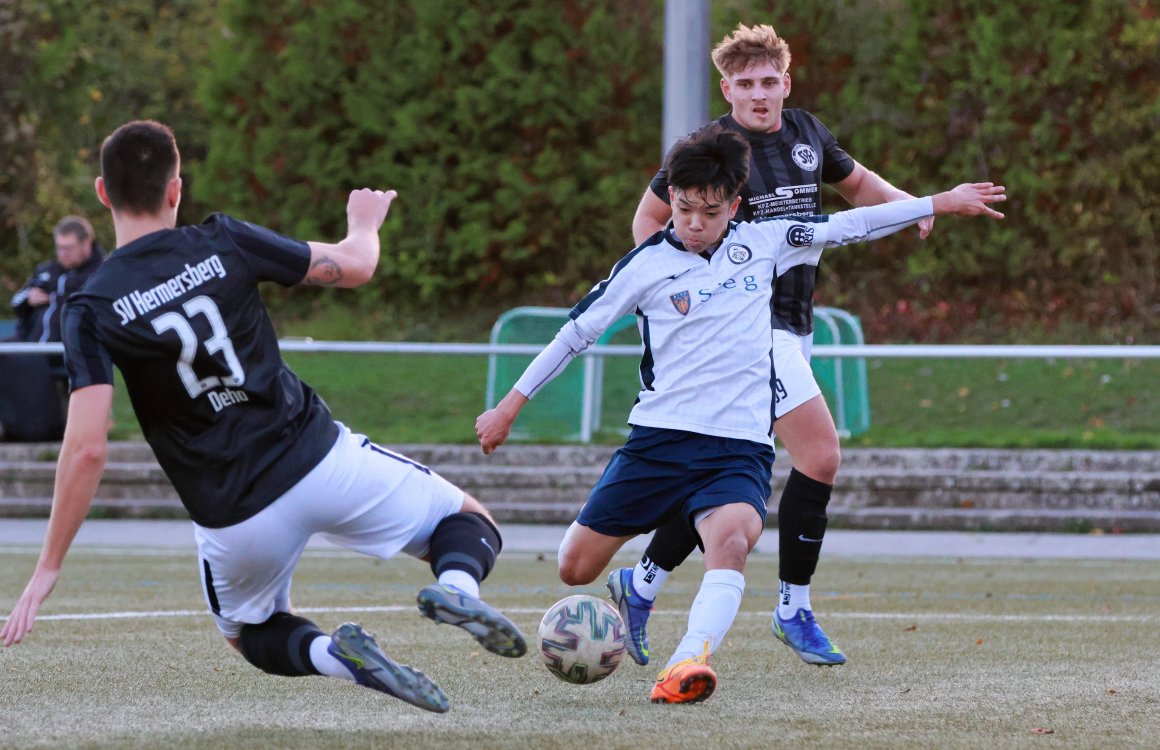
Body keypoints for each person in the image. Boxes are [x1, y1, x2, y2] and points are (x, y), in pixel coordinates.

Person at [0, 120, 527, 714]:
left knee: (247, 633)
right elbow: (354, 267)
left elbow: (88, 448)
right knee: (466, 521)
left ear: (102, 193)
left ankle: (337, 656)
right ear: (176, 189)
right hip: (319, 459)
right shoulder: (224, 241)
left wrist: (47, 567)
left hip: (234, 514)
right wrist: (364, 224)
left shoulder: (91, 305)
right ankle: (456, 588)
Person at [477, 123, 1005, 703]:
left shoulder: (766, 240)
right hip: (658, 443)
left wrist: (938, 202)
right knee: (573, 569)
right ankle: (635, 583)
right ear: (670, 200)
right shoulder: (644, 265)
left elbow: (850, 223)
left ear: (733, 204)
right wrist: (509, 407)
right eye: (682, 209)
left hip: (738, 448)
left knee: (732, 541)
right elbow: (574, 336)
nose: (695, 223)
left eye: (709, 211)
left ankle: (686, 664)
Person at [619, 22, 930, 669]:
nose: (759, 94)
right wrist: (678, 288)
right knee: (821, 455)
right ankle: (792, 608)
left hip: (794, 327)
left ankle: (641, 582)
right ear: (726, 89)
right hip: (745, 335)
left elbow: (862, 187)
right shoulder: (707, 148)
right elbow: (650, 219)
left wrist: (913, 206)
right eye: (746, 84)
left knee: (725, 472)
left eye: (769, 82)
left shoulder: (808, 135)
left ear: (785, 84)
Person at [0, 216, 106, 442]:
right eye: (59, 248)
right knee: (8, 351)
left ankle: (36, 430)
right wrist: (29, 299)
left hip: (69, 349)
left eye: (69, 248)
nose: (63, 254)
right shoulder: (46, 271)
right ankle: (11, 425)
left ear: (86, 243)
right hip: (32, 343)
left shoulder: (102, 274)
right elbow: (17, 300)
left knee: (20, 359)